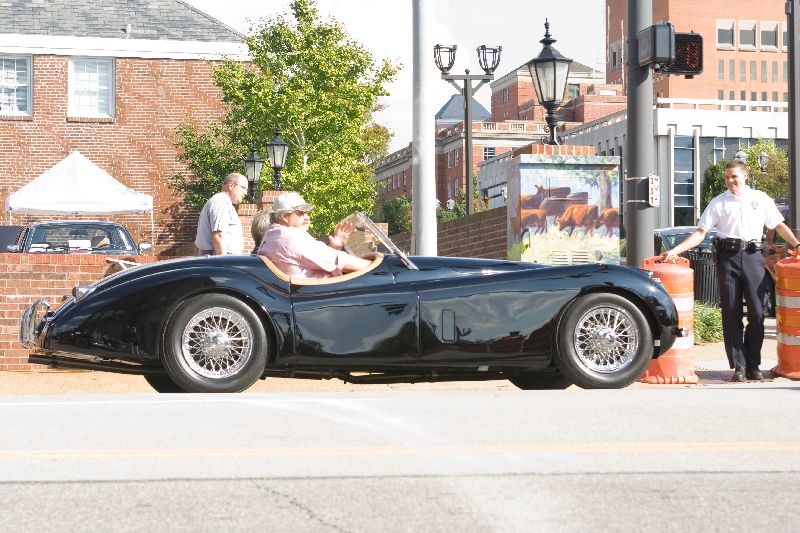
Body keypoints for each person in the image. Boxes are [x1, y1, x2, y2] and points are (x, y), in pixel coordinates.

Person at [664, 160, 800, 382]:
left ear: (745, 176)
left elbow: (778, 225)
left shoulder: (760, 198)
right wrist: (675, 250)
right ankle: (739, 366)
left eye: (734, 177)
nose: (730, 181)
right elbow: (700, 233)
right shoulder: (720, 202)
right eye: (728, 177)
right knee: (731, 313)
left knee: (757, 312)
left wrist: (796, 244)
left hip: (754, 256)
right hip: (728, 258)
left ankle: (753, 363)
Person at [258, 191, 371, 279]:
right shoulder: (291, 237)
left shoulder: (273, 235)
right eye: (301, 213)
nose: (307, 217)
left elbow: (306, 261)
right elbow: (340, 261)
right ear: (285, 217)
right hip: (322, 297)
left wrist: (335, 247)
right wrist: (378, 266)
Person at [194, 172, 248, 255]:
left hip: (217, 257)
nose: (245, 193)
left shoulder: (222, 202)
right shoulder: (221, 202)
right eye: (243, 188)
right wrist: (223, 263)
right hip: (219, 258)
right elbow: (218, 235)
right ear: (231, 185)